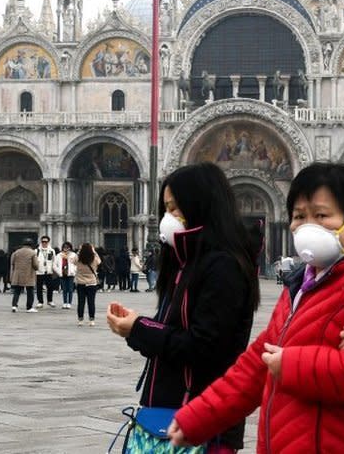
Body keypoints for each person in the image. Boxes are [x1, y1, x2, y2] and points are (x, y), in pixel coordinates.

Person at [169, 162, 344, 453]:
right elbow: (259, 361)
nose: (308, 226)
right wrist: (199, 417)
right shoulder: (303, 282)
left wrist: (291, 364)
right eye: (299, 216)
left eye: (321, 215)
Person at [107, 163, 262, 453]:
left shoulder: (223, 265)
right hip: (167, 417)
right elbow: (172, 335)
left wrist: (140, 327)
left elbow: (203, 346)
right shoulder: (185, 261)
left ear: (202, 206)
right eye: (166, 209)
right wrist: (134, 329)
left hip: (201, 421)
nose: (169, 218)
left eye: (176, 209)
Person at [74, 243, 100, 326]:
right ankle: (91, 320)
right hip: (91, 283)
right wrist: (94, 251)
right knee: (91, 302)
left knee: (81, 302)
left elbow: (72, 261)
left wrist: (79, 251)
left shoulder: (78, 258)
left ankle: (80, 320)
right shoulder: (94, 258)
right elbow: (99, 261)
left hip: (81, 282)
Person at [10, 239, 39, 313]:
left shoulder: (16, 252)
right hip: (28, 274)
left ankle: (14, 306)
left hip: (18, 274)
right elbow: (35, 265)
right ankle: (29, 307)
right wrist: (36, 268)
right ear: (31, 245)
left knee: (17, 291)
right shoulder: (32, 253)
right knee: (30, 291)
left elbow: (12, 262)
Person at [54, 242, 78, 309]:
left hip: (70, 274)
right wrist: (58, 271)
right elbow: (55, 265)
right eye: (64, 247)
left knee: (70, 289)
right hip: (62, 273)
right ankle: (64, 302)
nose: (66, 249)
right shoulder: (59, 255)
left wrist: (74, 271)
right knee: (64, 289)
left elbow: (77, 264)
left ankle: (69, 303)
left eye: (67, 247)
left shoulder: (73, 255)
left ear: (70, 248)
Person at [35, 235, 56, 308]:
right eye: (43, 241)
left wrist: (54, 270)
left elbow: (54, 261)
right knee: (39, 287)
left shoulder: (52, 251)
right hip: (39, 271)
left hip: (48, 271)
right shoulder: (36, 251)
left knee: (50, 287)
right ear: (41, 242)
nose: (44, 243)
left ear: (48, 242)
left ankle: (50, 300)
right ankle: (40, 301)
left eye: (46, 242)